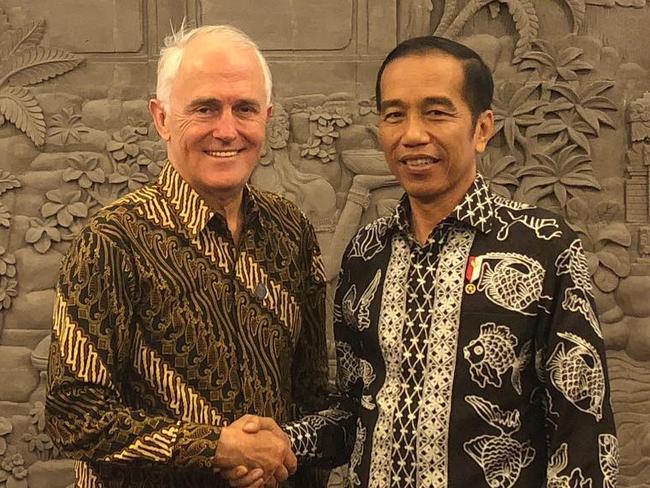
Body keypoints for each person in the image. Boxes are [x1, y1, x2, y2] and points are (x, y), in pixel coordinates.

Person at [241, 36, 619, 487]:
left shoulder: (544, 249)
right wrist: (284, 442)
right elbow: (355, 412)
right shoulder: (366, 254)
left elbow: (583, 431)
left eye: (436, 112)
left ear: (482, 128)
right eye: (394, 114)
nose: (413, 134)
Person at [44, 24, 329, 488]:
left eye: (245, 109)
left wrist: (279, 452)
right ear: (161, 118)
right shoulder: (113, 241)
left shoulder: (290, 230)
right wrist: (216, 448)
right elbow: (74, 412)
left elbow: (313, 392)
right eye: (205, 108)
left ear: (267, 117)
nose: (227, 129)